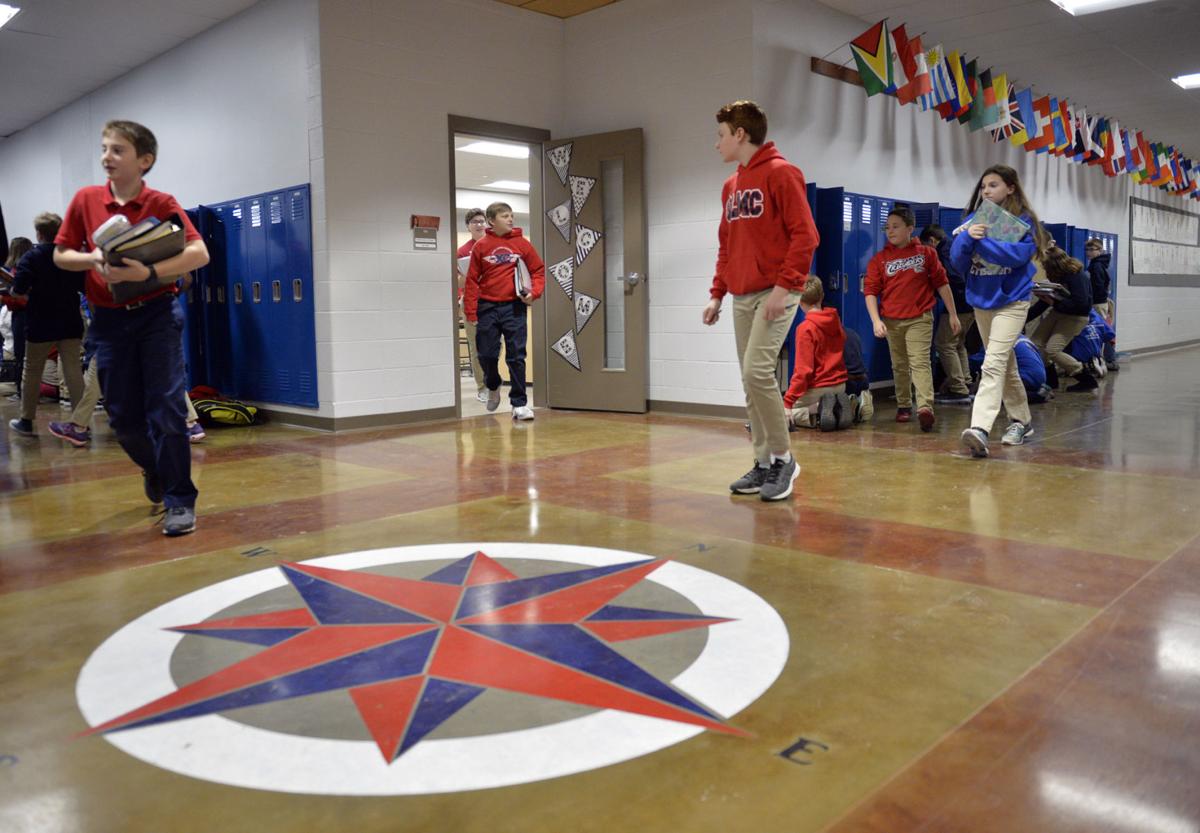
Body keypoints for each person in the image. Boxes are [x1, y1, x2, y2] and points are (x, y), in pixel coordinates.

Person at [53, 119, 210, 536]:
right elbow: (62, 254)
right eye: (104, 148)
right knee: (123, 418)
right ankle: (156, 469)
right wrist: (93, 261)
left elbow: (199, 252)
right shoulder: (86, 200)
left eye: (117, 150)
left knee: (168, 409)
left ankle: (179, 499)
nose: (107, 156)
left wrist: (149, 271)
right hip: (108, 320)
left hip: (157, 313)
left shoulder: (161, 202)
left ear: (144, 161)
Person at [703, 100, 817, 502]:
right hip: (741, 294)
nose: (715, 143)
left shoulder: (783, 173)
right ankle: (764, 461)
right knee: (751, 382)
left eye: (720, 135)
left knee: (757, 371)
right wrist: (717, 294)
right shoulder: (730, 187)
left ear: (740, 134)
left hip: (776, 291)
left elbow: (806, 237)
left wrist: (784, 290)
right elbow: (726, 245)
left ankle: (785, 459)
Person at [951, 164, 1045, 458]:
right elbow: (957, 261)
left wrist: (982, 241)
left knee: (992, 364)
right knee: (1006, 366)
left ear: (1010, 188)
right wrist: (968, 238)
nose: (986, 191)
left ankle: (979, 428)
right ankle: (1022, 421)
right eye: (983, 186)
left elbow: (1016, 257)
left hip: (1012, 302)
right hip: (982, 300)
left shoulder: (1024, 222)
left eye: (993, 185)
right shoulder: (973, 220)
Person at [864, 207, 959, 433]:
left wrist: (953, 313)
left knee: (919, 362)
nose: (890, 231)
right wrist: (876, 321)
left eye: (896, 227)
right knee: (899, 365)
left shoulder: (926, 253)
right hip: (892, 319)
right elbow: (870, 291)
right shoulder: (880, 259)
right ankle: (904, 404)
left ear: (909, 228)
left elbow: (942, 283)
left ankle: (925, 408)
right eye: (887, 227)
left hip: (920, 317)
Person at [462, 201, 544, 421]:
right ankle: (493, 385)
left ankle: (519, 404)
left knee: (516, 356)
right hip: (487, 306)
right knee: (486, 354)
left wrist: (533, 293)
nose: (510, 219)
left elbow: (538, 271)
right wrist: (471, 312)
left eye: (511, 216)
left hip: (514, 306)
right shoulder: (481, 246)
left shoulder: (522, 244)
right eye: (505, 216)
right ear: (492, 221)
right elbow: (471, 281)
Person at [7, 213, 86, 438]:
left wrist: (17, 291)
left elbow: (19, 290)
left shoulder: (31, 258)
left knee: (32, 371)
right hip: (70, 319)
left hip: (40, 321)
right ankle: (80, 422)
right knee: (72, 370)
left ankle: (26, 421)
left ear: (39, 233)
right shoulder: (70, 257)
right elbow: (84, 286)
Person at [782, 276, 850, 431]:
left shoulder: (805, 328)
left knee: (780, 413)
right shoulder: (835, 320)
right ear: (822, 296)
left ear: (799, 301)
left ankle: (818, 410)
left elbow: (803, 371)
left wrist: (788, 402)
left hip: (818, 388)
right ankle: (843, 406)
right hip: (840, 386)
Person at [920, 224, 974, 405]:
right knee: (958, 344)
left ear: (932, 241)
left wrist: (938, 292)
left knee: (944, 344)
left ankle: (958, 389)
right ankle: (965, 383)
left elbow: (953, 279)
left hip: (958, 306)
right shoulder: (954, 248)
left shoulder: (945, 253)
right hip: (970, 304)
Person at [1031, 244, 1095, 392]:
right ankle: (1051, 381)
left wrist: (1053, 302)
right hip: (1059, 312)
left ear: (1054, 265)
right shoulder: (1059, 275)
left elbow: (1082, 306)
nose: (1044, 269)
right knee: (1035, 344)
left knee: (1052, 350)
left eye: (1046, 265)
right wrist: (1022, 319)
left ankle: (1086, 378)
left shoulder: (1077, 276)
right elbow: (1043, 304)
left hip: (1076, 317)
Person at [457, 208, 488, 403]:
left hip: (494, 302)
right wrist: (469, 275)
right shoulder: (462, 251)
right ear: (468, 226)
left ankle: (491, 379)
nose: (479, 224)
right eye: (474, 222)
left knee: (495, 345)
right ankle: (482, 386)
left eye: (482, 221)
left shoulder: (494, 246)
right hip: (471, 303)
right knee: (475, 346)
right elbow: (458, 282)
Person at [3, 237, 34, 400]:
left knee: (21, 353)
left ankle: (23, 392)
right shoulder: (35, 269)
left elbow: (14, 299)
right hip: (35, 313)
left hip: (21, 315)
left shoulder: (14, 272)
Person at [1084, 238, 1118, 371]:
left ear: (1100, 250)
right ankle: (1105, 359)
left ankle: (1103, 360)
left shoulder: (1096, 266)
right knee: (1101, 331)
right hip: (1100, 302)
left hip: (1097, 303)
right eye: (1087, 249)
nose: (1088, 252)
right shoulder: (1098, 264)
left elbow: (1098, 286)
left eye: (1092, 249)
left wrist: (1090, 299)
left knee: (1098, 332)